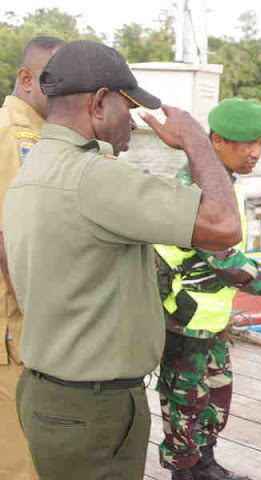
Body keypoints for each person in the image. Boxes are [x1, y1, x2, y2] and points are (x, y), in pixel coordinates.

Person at [3, 40, 243, 480]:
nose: (133, 120)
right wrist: (195, 139)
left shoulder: (33, 167)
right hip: (91, 410)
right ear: (97, 102)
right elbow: (224, 224)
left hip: (50, 393)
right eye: (127, 106)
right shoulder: (94, 179)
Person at [155, 98, 261, 480]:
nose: (256, 154)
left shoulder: (226, 184)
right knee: (184, 403)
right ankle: (184, 473)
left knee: (216, 395)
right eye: (244, 144)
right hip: (184, 323)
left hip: (213, 317)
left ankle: (206, 465)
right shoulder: (193, 189)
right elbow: (231, 266)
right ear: (215, 142)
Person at [0, 34, 64, 480]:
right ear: (26, 78)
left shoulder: (41, 133)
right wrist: (43, 313)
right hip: (17, 320)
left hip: (27, 319)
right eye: (56, 83)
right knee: (20, 456)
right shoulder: (16, 136)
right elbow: (8, 237)